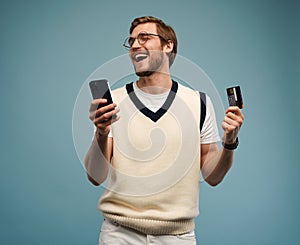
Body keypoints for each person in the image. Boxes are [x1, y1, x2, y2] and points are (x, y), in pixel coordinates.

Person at [84, 16, 244, 245]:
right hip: (119, 235)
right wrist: (101, 133)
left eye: (145, 38)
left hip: (178, 237)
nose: (135, 45)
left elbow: (213, 177)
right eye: (131, 42)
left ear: (168, 46)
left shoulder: (199, 102)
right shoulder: (113, 102)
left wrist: (229, 142)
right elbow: (95, 176)